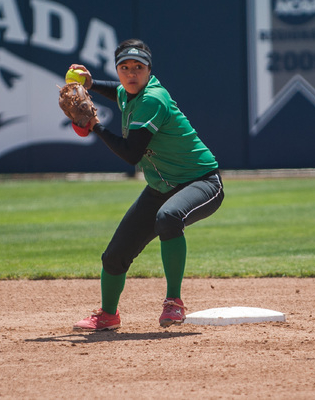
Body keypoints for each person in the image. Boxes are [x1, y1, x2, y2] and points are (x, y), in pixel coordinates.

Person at [70, 39, 224, 331]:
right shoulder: (130, 93)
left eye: (138, 68)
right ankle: (108, 314)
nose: (131, 74)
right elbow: (118, 92)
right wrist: (90, 83)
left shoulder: (153, 98)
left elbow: (131, 154)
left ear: (149, 71)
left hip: (202, 181)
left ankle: (174, 302)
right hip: (160, 186)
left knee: (168, 218)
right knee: (114, 255)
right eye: (124, 68)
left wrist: (95, 127)